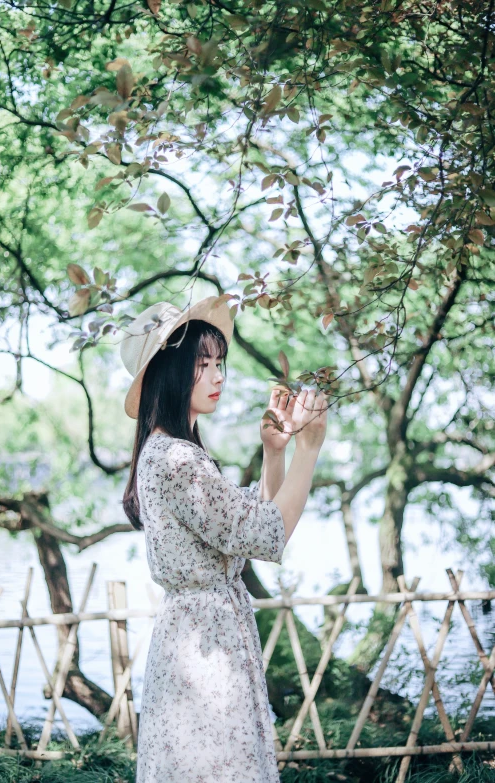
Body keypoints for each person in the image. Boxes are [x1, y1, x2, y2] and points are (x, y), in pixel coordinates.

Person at [119, 294, 328, 783]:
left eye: (219, 363)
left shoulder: (172, 453)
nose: (218, 376)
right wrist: (309, 449)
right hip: (204, 651)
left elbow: (245, 530)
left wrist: (274, 454)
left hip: (202, 637)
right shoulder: (176, 460)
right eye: (202, 364)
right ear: (170, 373)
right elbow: (266, 534)